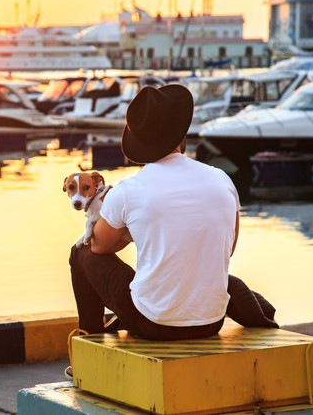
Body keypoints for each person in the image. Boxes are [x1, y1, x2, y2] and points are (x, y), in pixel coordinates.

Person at [68, 84, 277, 350]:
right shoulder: (221, 180)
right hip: (212, 322)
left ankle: (89, 344)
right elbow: (228, 248)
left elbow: (98, 246)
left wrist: (131, 232)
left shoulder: (128, 190)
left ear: (139, 143)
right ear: (181, 134)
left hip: (153, 324)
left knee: (80, 253)